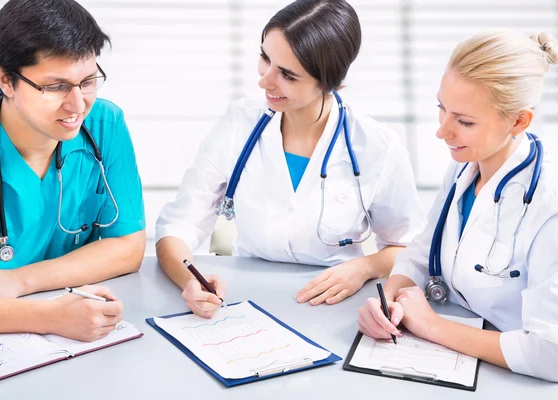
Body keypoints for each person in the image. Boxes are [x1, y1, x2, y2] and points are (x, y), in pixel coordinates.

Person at [156, 0, 425, 318]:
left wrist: (365, 267)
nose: (264, 81)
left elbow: (410, 248)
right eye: (265, 58)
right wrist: (191, 281)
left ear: (327, 81)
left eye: (287, 74)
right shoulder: (240, 122)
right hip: (242, 300)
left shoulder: (377, 147)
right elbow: (179, 225)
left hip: (335, 305)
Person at [358, 30, 558, 382]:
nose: (442, 132)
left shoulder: (548, 205)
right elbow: (424, 251)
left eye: (464, 121)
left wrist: (432, 326)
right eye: (442, 109)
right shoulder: (467, 163)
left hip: (515, 379)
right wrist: (387, 300)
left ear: (518, 121)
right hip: (454, 356)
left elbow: (550, 353)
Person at [0, 0, 145, 341]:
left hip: (74, 335)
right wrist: (47, 316)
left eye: (88, 81)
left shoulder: (104, 124)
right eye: (55, 86)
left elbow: (128, 246)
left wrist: (19, 280)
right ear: (5, 80)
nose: (77, 105)